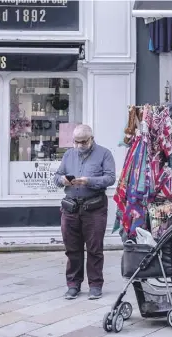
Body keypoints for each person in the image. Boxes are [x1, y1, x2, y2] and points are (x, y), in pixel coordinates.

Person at [54, 125, 116, 300]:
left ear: (91, 139)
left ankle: (95, 285)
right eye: (76, 141)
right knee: (72, 249)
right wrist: (62, 180)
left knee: (95, 248)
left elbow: (110, 178)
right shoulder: (68, 154)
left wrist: (88, 181)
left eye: (83, 142)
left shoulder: (104, 154)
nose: (79, 145)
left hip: (94, 207)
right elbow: (56, 177)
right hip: (71, 207)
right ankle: (73, 284)